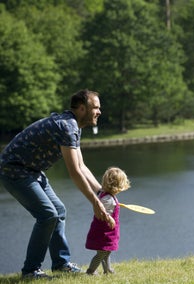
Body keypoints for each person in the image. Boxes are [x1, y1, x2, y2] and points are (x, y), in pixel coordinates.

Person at [0, 89, 114, 278]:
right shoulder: (67, 126)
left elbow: (82, 166)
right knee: (47, 215)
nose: (99, 111)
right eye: (95, 107)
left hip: (32, 171)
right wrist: (95, 203)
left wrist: (102, 192)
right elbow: (75, 172)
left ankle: (61, 264)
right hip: (14, 170)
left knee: (59, 211)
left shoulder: (73, 126)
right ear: (81, 108)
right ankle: (30, 271)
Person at [86, 167, 130, 275]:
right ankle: (90, 271)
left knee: (107, 251)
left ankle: (108, 270)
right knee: (101, 253)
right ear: (118, 186)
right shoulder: (107, 199)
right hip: (103, 232)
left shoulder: (107, 195)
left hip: (107, 232)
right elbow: (102, 211)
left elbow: (107, 206)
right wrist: (109, 217)